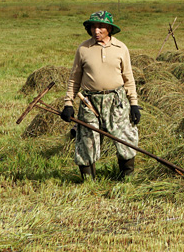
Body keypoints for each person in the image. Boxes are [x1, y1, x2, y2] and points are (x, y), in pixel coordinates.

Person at [60, 11, 141, 181]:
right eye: (93, 27)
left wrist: (134, 104)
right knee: (86, 140)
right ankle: (89, 181)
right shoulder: (83, 49)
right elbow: (74, 79)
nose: (96, 31)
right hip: (89, 101)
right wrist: (68, 103)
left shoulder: (121, 48)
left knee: (124, 138)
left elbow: (128, 77)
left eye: (100, 27)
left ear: (109, 29)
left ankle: (126, 178)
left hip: (116, 101)